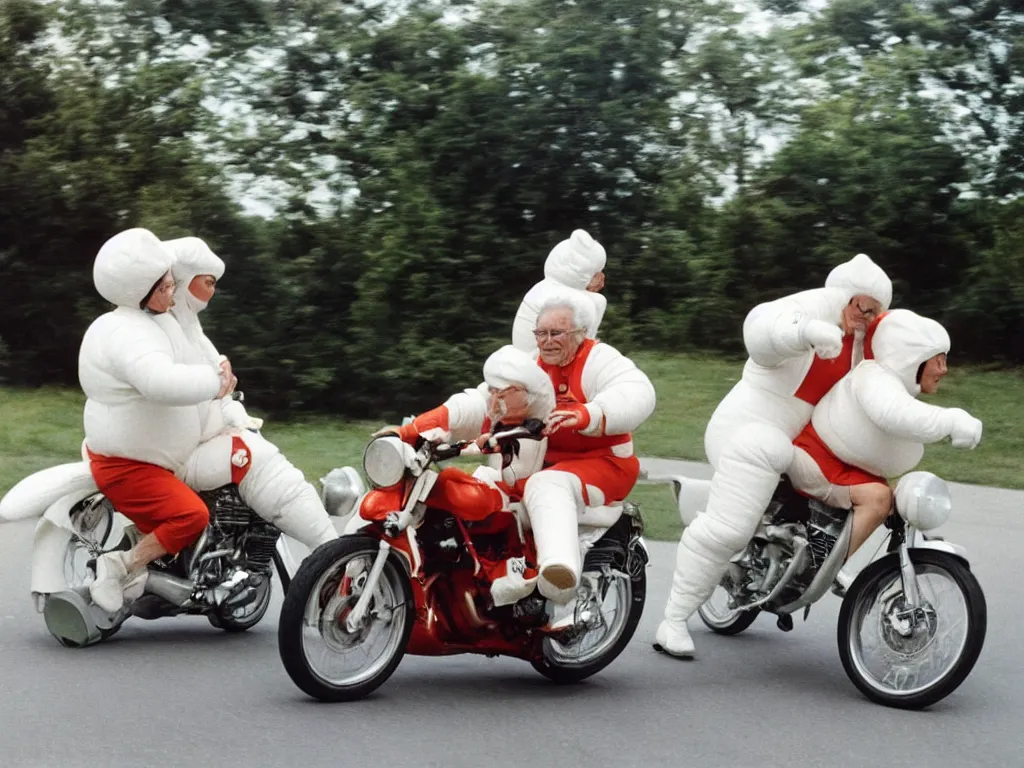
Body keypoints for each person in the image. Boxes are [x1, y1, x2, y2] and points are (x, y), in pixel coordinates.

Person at [654, 253, 893, 659]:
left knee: (874, 491)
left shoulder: (860, 344)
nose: (865, 317)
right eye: (860, 306)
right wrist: (807, 332)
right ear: (843, 297)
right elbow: (761, 329)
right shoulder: (806, 309)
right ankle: (672, 620)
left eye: (874, 311)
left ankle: (819, 566)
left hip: (797, 445)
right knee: (731, 526)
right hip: (744, 432)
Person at [80, 228, 233, 613]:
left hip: (148, 459)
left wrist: (216, 363)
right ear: (138, 291)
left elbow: (190, 349)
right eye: (165, 287)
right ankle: (121, 566)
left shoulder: (153, 319)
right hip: (128, 465)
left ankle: (165, 564)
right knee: (191, 515)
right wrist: (214, 383)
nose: (173, 292)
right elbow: (158, 381)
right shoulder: (128, 332)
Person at [155, 236, 339, 556]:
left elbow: (208, 373)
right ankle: (332, 553)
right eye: (208, 282)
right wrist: (220, 393)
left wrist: (222, 375)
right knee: (263, 463)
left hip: (172, 442)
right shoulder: (168, 324)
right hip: (179, 449)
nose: (213, 291)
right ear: (184, 280)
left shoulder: (181, 321)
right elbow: (185, 389)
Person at [786, 309, 983, 588]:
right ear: (913, 358)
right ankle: (816, 570)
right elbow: (896, 414)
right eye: (938, 361)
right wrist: (953, 421)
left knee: (895, 502)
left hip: (842, 466)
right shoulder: (872, 376)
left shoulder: (894, 386)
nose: (944, 370)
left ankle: (827, 559)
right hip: (817, 459)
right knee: (878, 498)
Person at [375, 344, 557, 606]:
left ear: (524, 392)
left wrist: (466, 444)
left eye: (503, 393)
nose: (495, 399)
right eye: (493, 391)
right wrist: (417, 433)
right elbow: (464, 415)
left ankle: (516, 570)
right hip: (497, 481)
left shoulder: (535, 422)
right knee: (445, 483)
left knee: (465, 495)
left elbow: (494, 441)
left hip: (526, 492)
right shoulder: (498, 409)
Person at [527, 294, 656, 603]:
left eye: (556, 333)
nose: (547, 341)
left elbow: (638, 392)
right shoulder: (531, 363)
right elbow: (487, 397)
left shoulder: (599, 359)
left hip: (605, 464)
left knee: (547, 485)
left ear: (580, 333)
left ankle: (560, 574)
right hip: (546, 463)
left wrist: (589, 413)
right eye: (541, 333)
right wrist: (423, 428)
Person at [512, 229, 608, 354]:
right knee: (593, 303)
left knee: (597, 301)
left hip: (540, 352)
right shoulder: (573, 300)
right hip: (540, 357)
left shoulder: (544, 288)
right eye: (596, 272)